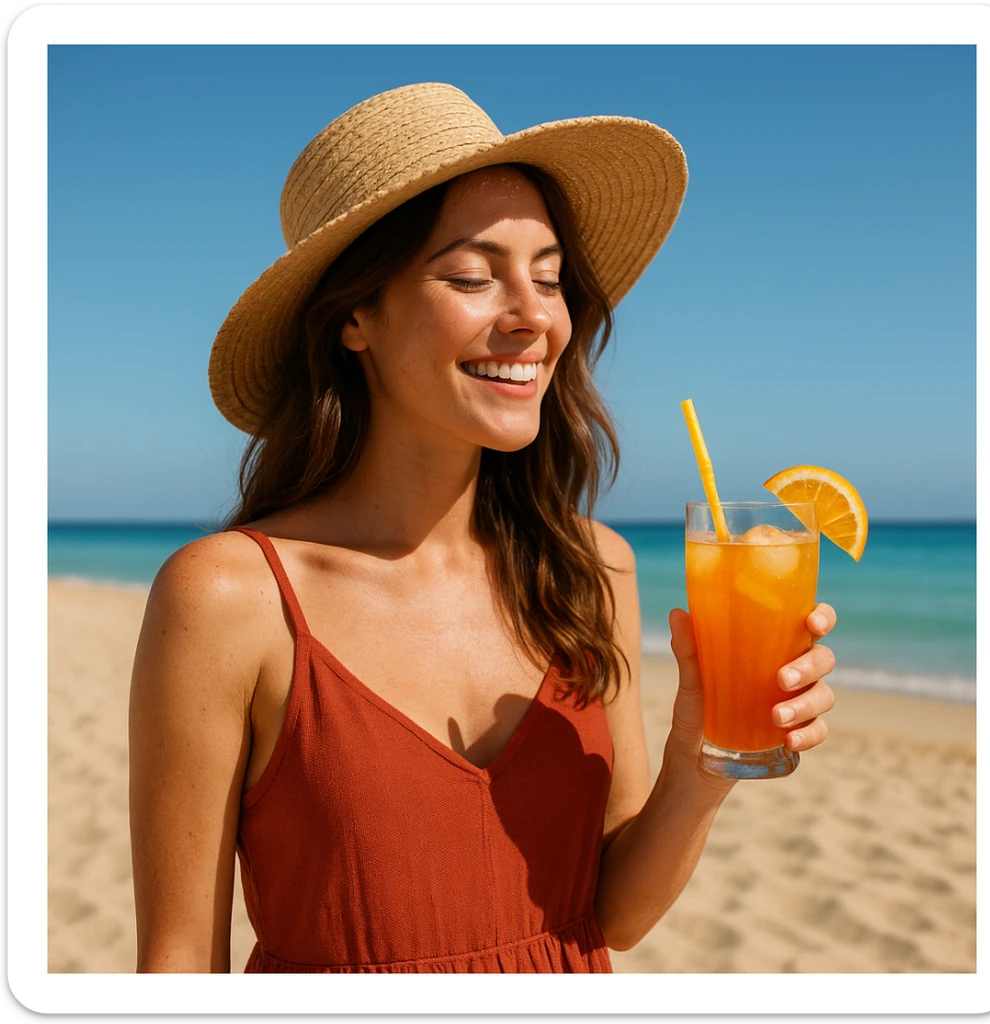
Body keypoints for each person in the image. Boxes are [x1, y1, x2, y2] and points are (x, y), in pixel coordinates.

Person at [128, 83, 837, 974]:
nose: (534, 316)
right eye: (471, 276)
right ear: (355, 317)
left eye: (548, 277)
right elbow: (176, 963)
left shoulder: (591, 569)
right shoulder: (229, 597)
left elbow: (608, 916)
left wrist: (698, 766)